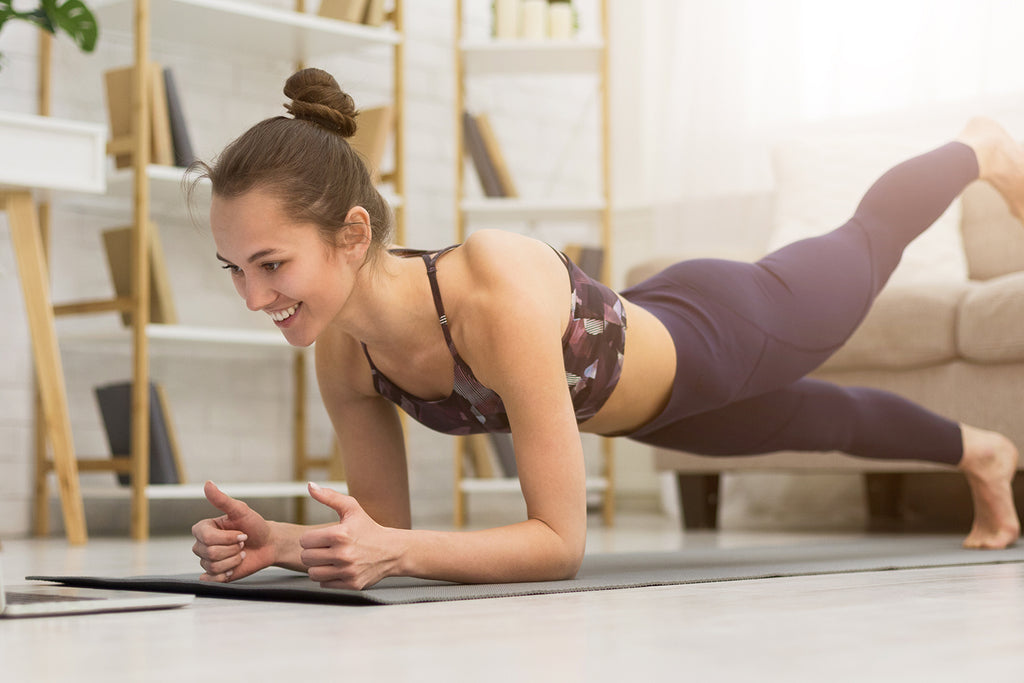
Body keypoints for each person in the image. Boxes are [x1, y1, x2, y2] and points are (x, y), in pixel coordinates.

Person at [189, 68, 1021, 590]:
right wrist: (284, 541)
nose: (255, 297)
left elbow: (557, 543)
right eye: (236, 269)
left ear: (354, 234)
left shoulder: (489, 284)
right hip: (654, 395)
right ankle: (984, 451)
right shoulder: (343, 350)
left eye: (272, 264)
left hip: (725, 329)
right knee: (825, 419)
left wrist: (397, 552)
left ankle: (977, 147)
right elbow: (376, 531)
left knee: (866, 240)